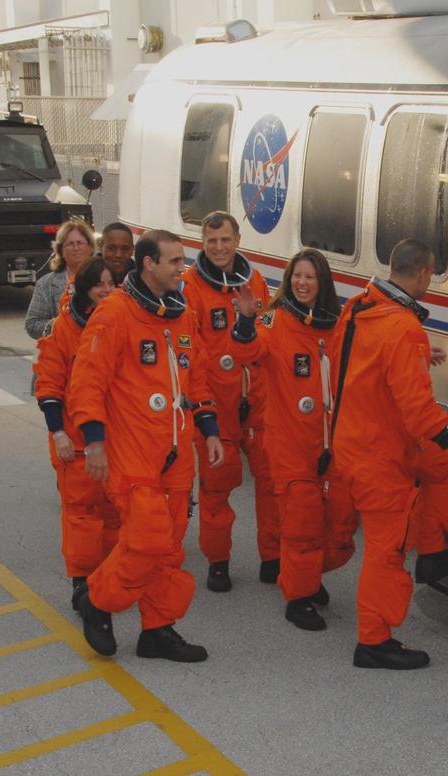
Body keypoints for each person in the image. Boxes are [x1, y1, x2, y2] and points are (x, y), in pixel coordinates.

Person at [69, 229, 222, 663]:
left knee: (169, 548)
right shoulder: (115, 314)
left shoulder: (181, 314)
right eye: (174, 261)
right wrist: (94, 442)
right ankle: (97, 600)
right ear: (149, 264)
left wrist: (210, 428)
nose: (182, 269)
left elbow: (196, 378)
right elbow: (87, 382)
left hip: (176, 451)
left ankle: (157, 629)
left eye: (183, 260)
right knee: (146, 539)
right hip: (132, 451)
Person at [332, 239, 448, 670]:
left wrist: (418, 356)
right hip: (378, 453)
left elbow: (350, 363)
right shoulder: (403, 327)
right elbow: (420, 412)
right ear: (423, 274)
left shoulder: (359, 307)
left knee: (436, 472)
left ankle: (433, 553)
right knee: (386, 549)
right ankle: (373, 641)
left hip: (352, 439)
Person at [231, 248, 357, 630]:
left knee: (339, 526)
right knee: (301, 521)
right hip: (290, 443)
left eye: (309, 277)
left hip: (331, 444)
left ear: (322, 283)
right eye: (297, 276)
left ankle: (306, 573)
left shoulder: (336, 326)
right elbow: (248, 351)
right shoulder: (275, 320)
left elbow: (367, 356)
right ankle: (298, 597)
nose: (302, 283)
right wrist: (245, 320)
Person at [180, 211, 279, 593]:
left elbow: (267, 333)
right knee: (216, 486)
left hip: (257, 399)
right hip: (216, 404)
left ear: (238, 240)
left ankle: (273, 556)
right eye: (211, 241)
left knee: (270, 483)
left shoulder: (254, 281)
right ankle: (218, 561)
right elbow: (191, 352)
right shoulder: (190, 288)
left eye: (225, 240)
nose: (219, 248)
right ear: (202, 243)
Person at [33, 256, 120, 612]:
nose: (106, 290)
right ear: (84, 288)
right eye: (99, 284)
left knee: (115, 514)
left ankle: (111, 578)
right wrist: (58, 433)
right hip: (76, 441)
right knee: (82, 515)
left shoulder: (123, 323)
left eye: (111, 284)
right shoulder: (62, 329)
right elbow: (49, 385)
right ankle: (82, 581)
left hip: (118, 441)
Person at [24, 220, 95, 340]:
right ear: (61, 250)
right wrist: (59, 326)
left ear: (90, 247)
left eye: (80, 243)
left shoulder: (104, 279)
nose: (76, 248)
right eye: (70, 244)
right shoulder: (46, 284)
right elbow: (32, 324)